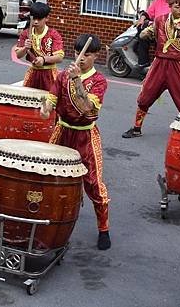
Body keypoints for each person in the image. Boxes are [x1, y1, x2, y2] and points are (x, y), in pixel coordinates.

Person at [40, 34, 111, 250]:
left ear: (95, 56)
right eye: (79, 54)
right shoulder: (62, 76)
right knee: (49, 176)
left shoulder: (99, 81)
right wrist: (45, 108)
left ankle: (104, 228)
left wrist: (77, 79)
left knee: (93, 184)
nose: (81, 59)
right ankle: (47, 220)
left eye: (87, 55)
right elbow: (51, 98)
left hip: (85, 136)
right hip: (63, 132)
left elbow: (88, 107)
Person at [123, 0, 180, 138]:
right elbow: (144, 35)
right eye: (177, 7)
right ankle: (136, 128)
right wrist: (147, 31)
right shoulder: (160, 20)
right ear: (170, 7)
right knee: (145, 96)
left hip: (178, 64)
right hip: (159, 62)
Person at [13, 2, 64, 90]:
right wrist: (25, 48)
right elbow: (18, 55)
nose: (36, 22)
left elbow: (59, 57)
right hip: (33, 72)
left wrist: (44, 59)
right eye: (34, 18)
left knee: (50, 100)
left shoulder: (53, 34)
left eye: (39, 19)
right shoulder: (26, 33)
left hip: (50, 73)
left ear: (47, 18)